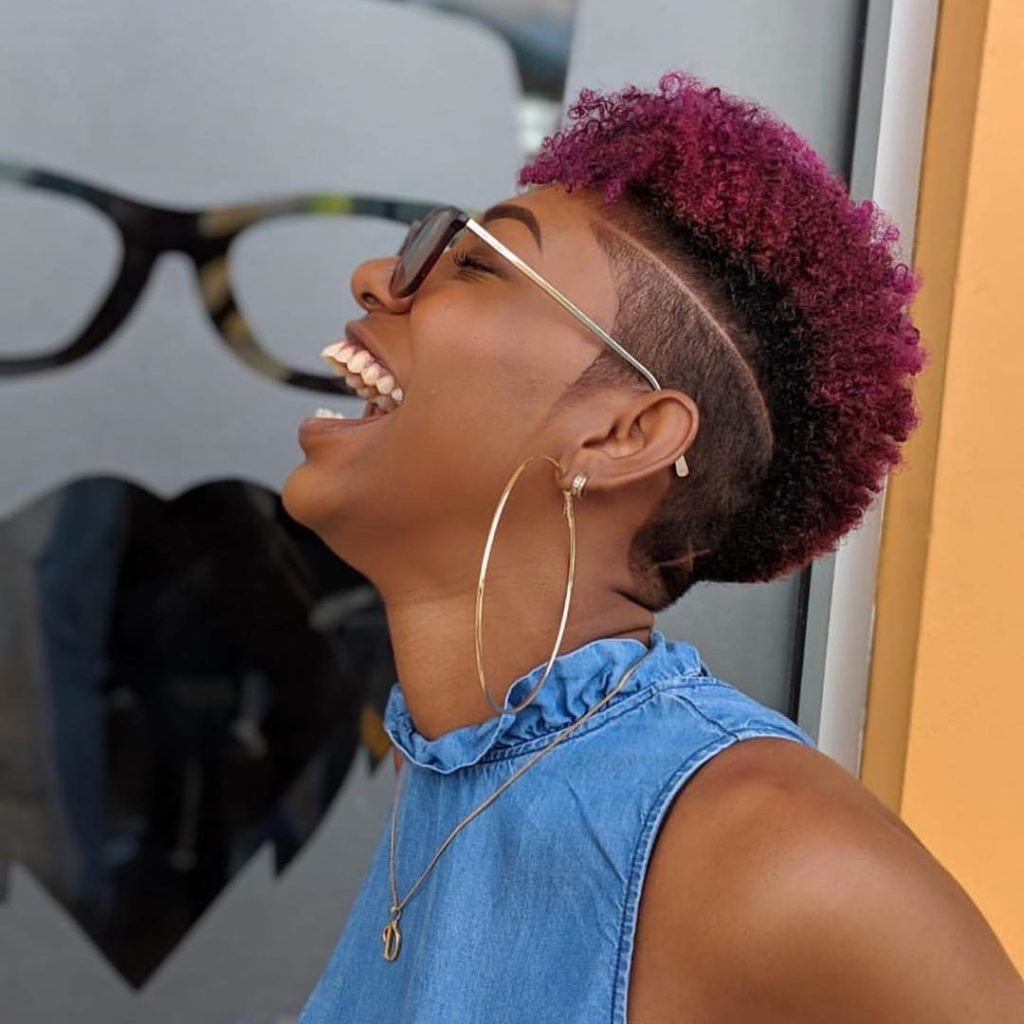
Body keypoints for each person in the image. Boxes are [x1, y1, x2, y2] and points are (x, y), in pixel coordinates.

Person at [283, 72, 1024, 1022]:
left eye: (474, 264)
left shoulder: (770, 853)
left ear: (623, 436)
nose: (380, 278)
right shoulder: (451, 768)